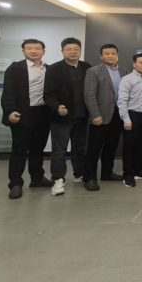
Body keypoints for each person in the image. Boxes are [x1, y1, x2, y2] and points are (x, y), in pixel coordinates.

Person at [2, 39, 53, 200]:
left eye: (37, 48)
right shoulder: (15, 68)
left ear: (43, 52)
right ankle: (15, 183)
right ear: (23, 51)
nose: (33, 51)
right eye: (29, 48)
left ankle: (37, 178)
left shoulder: (49, 69)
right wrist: (10, 111)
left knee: (38, 148)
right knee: (19, 150)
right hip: (22, 113)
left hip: (43, 113)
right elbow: (8, 93)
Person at [44, 38, 92, 196]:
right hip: (62, 117)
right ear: (62, 51)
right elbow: (49, 93)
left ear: (80, 51)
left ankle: (79, 174)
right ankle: (58, 179)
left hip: (82, 116)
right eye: (69, 49)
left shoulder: (87, 67)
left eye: (76, 49)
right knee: (59, 151)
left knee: (80, 148)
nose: (73, 52)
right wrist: (57, 107)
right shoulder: (54, 69)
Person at [83, 44, 129, 192]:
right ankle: (89, 178)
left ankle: (107, 173)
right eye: (107, 53)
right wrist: (95, 114)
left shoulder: (123, 71)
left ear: (117, 55)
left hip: (118, 115)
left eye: (113, 53)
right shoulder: (93, 71)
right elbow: (89, 95)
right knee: (94, 149)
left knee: (111, 146)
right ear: (101, 56)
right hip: (100, 116)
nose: (110, 56)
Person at [118, 54, 142, 188]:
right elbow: (122, 101)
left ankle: (138, 170)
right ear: (134, 64)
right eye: (141, 62)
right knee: (129, 147)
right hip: (132, 116)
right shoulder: (127, 79)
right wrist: (126, 120)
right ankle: (128, 174)